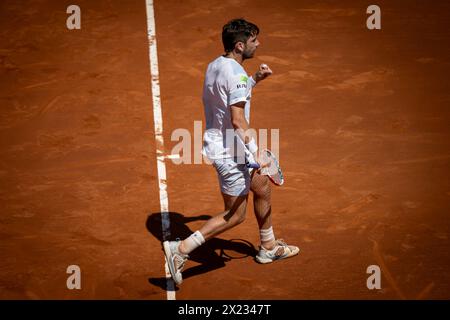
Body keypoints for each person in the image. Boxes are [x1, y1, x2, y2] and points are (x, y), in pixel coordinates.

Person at [163, 18, 299, 285]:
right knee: (235, 215)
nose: (258, 44)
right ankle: (180, 250)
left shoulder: (217, 65)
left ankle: (268, 247)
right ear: (240, 45)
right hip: (229, 151)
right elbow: (237, 120)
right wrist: (258, 152)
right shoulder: (235, 73)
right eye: (253, 40)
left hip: (228, 145)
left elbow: (227, 95)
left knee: (261, 185)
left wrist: (253, 80)